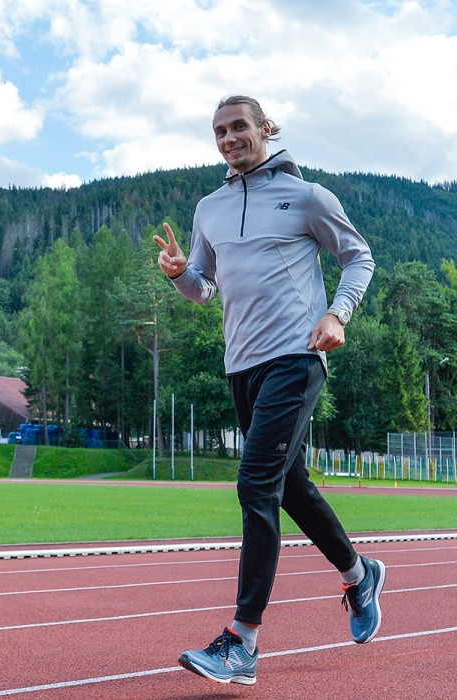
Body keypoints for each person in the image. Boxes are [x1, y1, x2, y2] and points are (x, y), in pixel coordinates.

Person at [155, 95, 384, 686]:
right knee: (291, 485)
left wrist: (339, 314)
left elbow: (359, 257)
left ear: (266, 129)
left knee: (255, 482)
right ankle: (360, 574)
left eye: (239, 127)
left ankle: (242, 642)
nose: (229, 138)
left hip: (297, 357)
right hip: (243, 364)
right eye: (219, 131)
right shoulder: (209, 207)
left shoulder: (306, 196)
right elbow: (204, 290)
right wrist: (182, 273)